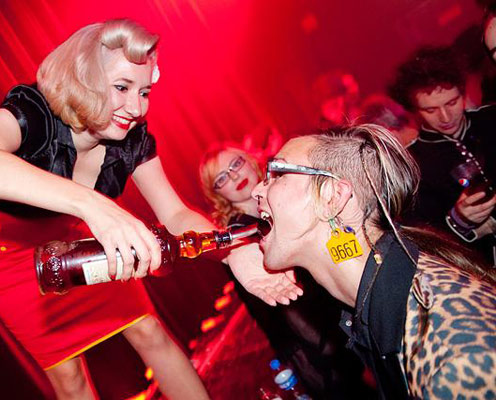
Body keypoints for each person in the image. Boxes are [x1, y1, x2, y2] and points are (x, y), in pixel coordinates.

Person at [0, 19, 219, 400]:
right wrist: (90, 203)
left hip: (74, 238)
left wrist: (237, 254)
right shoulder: (33, 112)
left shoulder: (132, 139)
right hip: (5, 252)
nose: (135, 107)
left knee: (148, 330)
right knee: (69, 379)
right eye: (121, 87)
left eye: (145, 91)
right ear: (85, 75)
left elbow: (176, 215)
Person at [250, 124, 496, 398]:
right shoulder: (382, 305)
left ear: (332, 197)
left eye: (278, 173)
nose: (256, 191)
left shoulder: (453, 360)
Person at [200, 144, 374, 399]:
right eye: (222, 178)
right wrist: (339, 350)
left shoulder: (287, 200)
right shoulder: (238, 235)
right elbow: (286, 310)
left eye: (235, 164)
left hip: (342, 316)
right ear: (217, 194)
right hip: (315, 340)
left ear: (250, 160)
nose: (234, 176)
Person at [389, 45, 496, 266]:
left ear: (463, 92)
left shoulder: (492, 118)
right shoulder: (412, 165)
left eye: (452, 102)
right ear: (415, 111)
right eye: (430, 110)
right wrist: (458, 221)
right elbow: (421, 244)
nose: (445, 116)